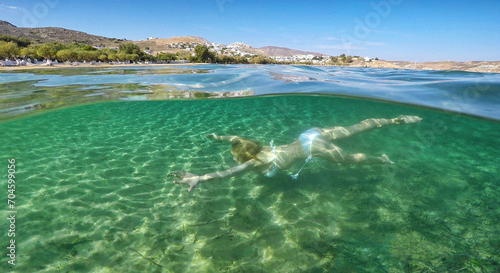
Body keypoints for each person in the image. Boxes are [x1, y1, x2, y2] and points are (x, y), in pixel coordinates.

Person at [171, 115, 422, 192]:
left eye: (235, 155)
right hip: (308, 134)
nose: (233, 157)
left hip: (313, 147)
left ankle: (381, 160)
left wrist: (200, 178)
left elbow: (228, 173)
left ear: (246, 157)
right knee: (355, 128)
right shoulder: (257, 147)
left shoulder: (255, 161)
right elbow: (237, 139)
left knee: (347, 160)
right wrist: (219, 138)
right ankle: (393, 119)